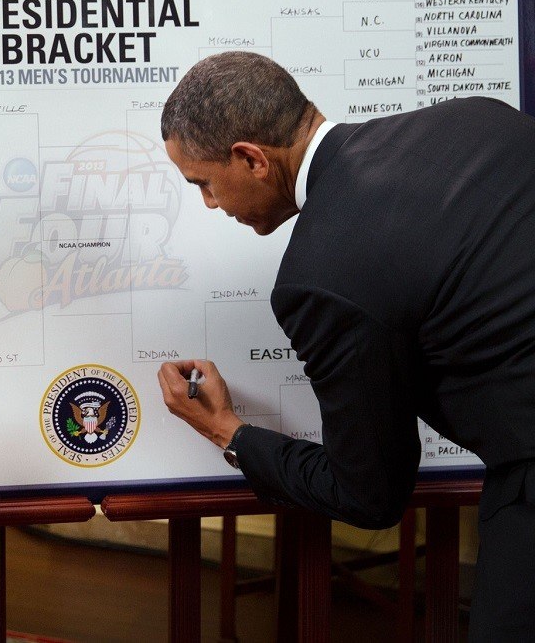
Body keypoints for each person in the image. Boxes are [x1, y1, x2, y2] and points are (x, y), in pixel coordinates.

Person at [155, 50, 535, 641]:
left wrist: (230, 433)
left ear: (251, 158)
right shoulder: (482, 118)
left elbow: (370, 494)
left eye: (203, 183)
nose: (208, 203)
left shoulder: (319, 276)